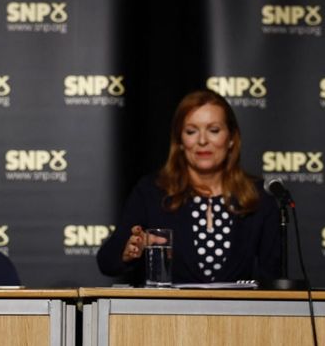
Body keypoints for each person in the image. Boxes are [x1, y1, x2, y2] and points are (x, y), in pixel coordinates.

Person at [97, 90, 281, 285]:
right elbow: (106, 262)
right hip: (169, 314)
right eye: (192, 131)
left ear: (231, 138)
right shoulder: (152, 191)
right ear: (180, 141)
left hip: (242, 315)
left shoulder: (259, 195)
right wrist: (129, 251)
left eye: (214, 130)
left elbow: (274, 278)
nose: (202, 141)